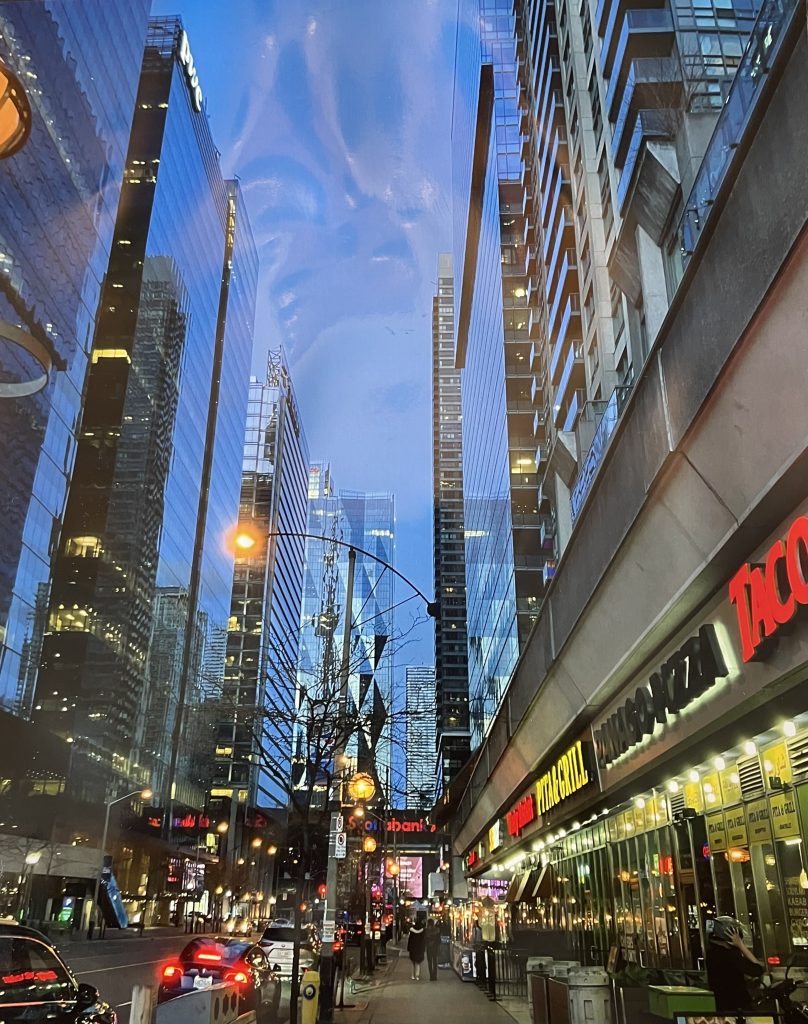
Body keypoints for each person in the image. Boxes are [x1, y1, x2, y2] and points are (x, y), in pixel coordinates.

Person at [706, 916, 765, 1013]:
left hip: (723, 1007)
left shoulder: (712, 953)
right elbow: (757, 969)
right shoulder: (728, 955)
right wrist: (741, 945)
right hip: (737, 1008)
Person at [407, 913, 426, 981]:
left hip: (413, 948)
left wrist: (409, 948)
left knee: (413, 963)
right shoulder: (423, 930)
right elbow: (423, 940)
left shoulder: (412, 929)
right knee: (418, 963)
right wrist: (423, 948)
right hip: (419, 948)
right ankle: (417, 976)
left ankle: (412, 975)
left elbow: (410, 940)